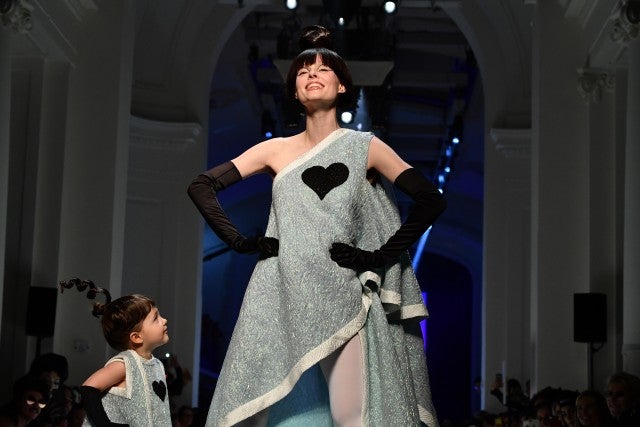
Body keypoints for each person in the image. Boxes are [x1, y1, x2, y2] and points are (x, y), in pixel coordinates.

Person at [188, 25, 445, 427]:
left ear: (342, 86)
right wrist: (239, 241)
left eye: (324, 69)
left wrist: (379, 255)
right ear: (294, 91)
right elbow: (202, 186)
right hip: (279, 289)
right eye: (303, 71)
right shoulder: (274, 150)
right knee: (254, 412)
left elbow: (431, 199)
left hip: (342, 292)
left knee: (350, 416)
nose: (312, 74)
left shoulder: (365, 147)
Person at [58, 278, 172, 427]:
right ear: (136, 337)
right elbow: (88, 388)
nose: (164, 320)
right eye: (156, 318)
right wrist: (105, 424)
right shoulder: (126, 364)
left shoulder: (157, 365)